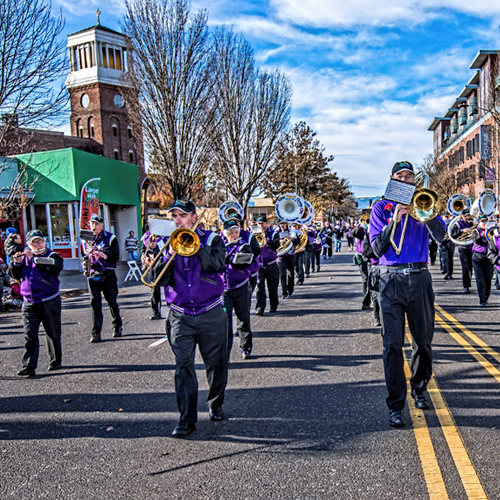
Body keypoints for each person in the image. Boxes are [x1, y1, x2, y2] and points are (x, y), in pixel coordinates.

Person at [370, 161, 445, 428]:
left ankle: (420, 388)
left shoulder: (422, 204)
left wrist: (428, 214)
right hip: (390, 279)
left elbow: (441, 236)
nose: (405, 179)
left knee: (423, 342)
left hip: (420, 277)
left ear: (414, 180)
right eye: (399, 176)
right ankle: (396, 404)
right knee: (392, 345)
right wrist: (395, 220)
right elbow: (376, 249)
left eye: (409, 176)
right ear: (391, 180)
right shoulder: (381, 208)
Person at [153, 199, 227, 438]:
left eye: (182, 216)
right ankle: (186, 420)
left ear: (194, 217)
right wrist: (168, 257)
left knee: (215, 364)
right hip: (180, 315)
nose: (177, 220)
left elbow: (216, 265)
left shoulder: (212, 239)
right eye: (174, 216)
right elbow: (158, 279)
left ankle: (215, 403)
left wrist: (196, 247)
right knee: (183, 366)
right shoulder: (165, 243)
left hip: (211, 312)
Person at [9, 230, 64, 377]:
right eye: (33, 242)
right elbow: (14, 275)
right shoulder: (24, 257)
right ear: (28, 244)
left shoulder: (52, 256)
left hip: (49, 300)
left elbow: (54, 267)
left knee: (52, 332)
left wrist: (33, 258)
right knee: (30, 334)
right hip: (29, 302)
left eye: (39, 241)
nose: (37, 245)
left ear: (45, 242)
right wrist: (16, 263)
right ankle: (29, 366)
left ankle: (55, 360)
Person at [82, 214, 123, 343]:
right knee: (95, 303)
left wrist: (104, 255)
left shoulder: (111, 238)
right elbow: (84, 255)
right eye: (92, 224)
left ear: (101, 225)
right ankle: (96, 332)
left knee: (111, 301)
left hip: (108, 274)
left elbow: (116, 256)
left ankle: (117, 325)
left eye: (96, 224)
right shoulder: (86, 238)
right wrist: (87, 259)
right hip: (93, 274)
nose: (94, 227)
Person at [221, 219, 254, 360]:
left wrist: (227, 259)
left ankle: (245, 348)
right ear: (225, 234)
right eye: (231, 233)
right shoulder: (220, 246)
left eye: (236, 232)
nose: (234, 235)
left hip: (241, 286)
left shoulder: (244, 246)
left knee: (243, 319)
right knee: (224, 322)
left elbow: (241, 262)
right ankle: (225, 353)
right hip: (224, 289)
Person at [255, 215, 280, 316]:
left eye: (263, 223)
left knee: (272, 287)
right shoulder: (253, 234)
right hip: (259, 265)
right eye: (259, 223)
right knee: (259, 288)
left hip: (271, 264)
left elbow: (277, 245)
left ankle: (273, 305)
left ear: (267, 224)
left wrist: (267, 240)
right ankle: (260, 307)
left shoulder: (273, 233)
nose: (261, 225)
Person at [450, 209, 474, 293]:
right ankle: (466, 286)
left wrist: (472, 234)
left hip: (471, 247)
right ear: (462, 216)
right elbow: (453, 234)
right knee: (465, 267)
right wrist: (462, 231)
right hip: (462, 247)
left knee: (470, 267)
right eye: (466, 216)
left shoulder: (472, 223)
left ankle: (469, 282)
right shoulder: (457, 224)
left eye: (468, 215)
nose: (468, 217)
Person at [141, 232, 163, 320]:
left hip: (163, 262)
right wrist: (143, 255)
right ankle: (156, 312)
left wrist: (157, 245)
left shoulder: (164, 234)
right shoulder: (146, 235)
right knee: (154, 289)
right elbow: (143, 249)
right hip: (152, 265)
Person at [471, 215, 493, 307]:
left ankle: (486, 296)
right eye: (482, 221)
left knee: (488, 280)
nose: (484, 223)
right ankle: (482, 300)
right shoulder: (475, 231)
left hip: (488, 258)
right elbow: (476, 240)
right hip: (478, 258)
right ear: (479, 223)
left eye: (485, 221)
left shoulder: (491, 231)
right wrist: (483, 233)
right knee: (480, 280)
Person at [353, 220, 371, 310]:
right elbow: (354, 233)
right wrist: (360, 224)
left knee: (373, 279)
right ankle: (366, 302)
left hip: (372, 255)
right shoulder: (360, 231)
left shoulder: (373, 226)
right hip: (362, 255)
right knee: (365, 279)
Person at [277, 221, 297, 298]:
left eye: (284, 224)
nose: (282, 225)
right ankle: (283, 292)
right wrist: (279, 242)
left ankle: (290, 290)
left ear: (286, 224)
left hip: (290, 255)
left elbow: (297, 242)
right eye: (281, 224)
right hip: (281, 255)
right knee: (282, 274)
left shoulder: (292, 231)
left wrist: (292, 239)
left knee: (290, 273)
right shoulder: (276, 232)